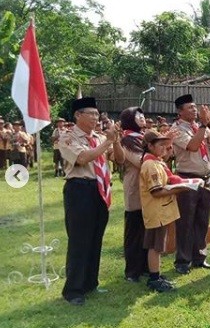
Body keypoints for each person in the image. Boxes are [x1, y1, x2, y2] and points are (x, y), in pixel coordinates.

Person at [58, 97, 124, 305]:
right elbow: (83, 158)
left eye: (97, 114)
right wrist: (107, 142)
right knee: (79, 240)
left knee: (96, 237)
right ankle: (74, 290)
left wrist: (116, 140)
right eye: (91, 114)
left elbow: (119, 159)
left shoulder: (99, 137)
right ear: (78, 115)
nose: (96, 118)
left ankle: (90, 282)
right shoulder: (68, 137)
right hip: (80, 190)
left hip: (99, 189)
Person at [139, 130, 201, 292]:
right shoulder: (150, 165)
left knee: (158, 245)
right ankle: (154, 279)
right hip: (156, 212)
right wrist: (182, 188)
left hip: (161, 211)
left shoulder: (156, 161)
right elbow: (156, 191)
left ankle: (156, 275)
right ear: (150, 146)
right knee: (155, 246)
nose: (163, 149)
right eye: (160, 145)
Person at [171, 94, 210, 274]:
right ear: (179, 111)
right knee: (185, 221)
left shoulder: (198, 126)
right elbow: (192, 146)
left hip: (205, 178)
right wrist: (204, 124)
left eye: (194, 107)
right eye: (189, 107)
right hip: (187, 178)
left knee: (202, 219)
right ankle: (183, 261)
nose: (194, 109)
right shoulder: (177, 129)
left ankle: (200, 257)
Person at [119, 106, 148, 282]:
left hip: (149, 187)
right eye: (138, 115)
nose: (142, 117)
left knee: (147, 229)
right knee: (134, 231)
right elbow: (140, 161)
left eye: (143, 114)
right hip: (135, 187)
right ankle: (132, 271)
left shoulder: (144, 138)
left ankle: (145, 265)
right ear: (129, 120)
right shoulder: (126, 141)